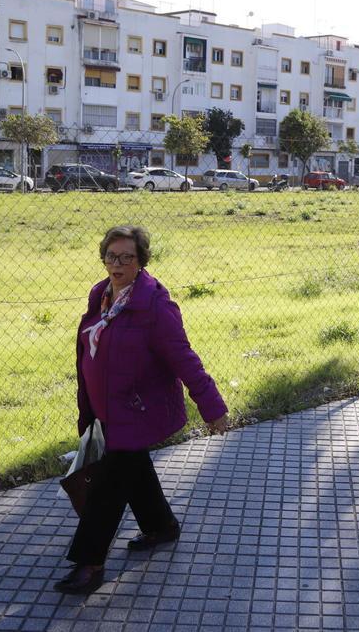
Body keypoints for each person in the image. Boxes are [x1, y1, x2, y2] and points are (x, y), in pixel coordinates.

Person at [55, 225, 229, 595]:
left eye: (126, 257)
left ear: (140, 262)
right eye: (111, 256)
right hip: (106, 409)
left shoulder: (154, 305)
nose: (117, 264)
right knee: (135, 469)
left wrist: (211, 406)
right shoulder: (99, 296)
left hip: (137, 410)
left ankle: (90, 562)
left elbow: (183, 357)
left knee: (109, 484)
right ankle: (161, 526)